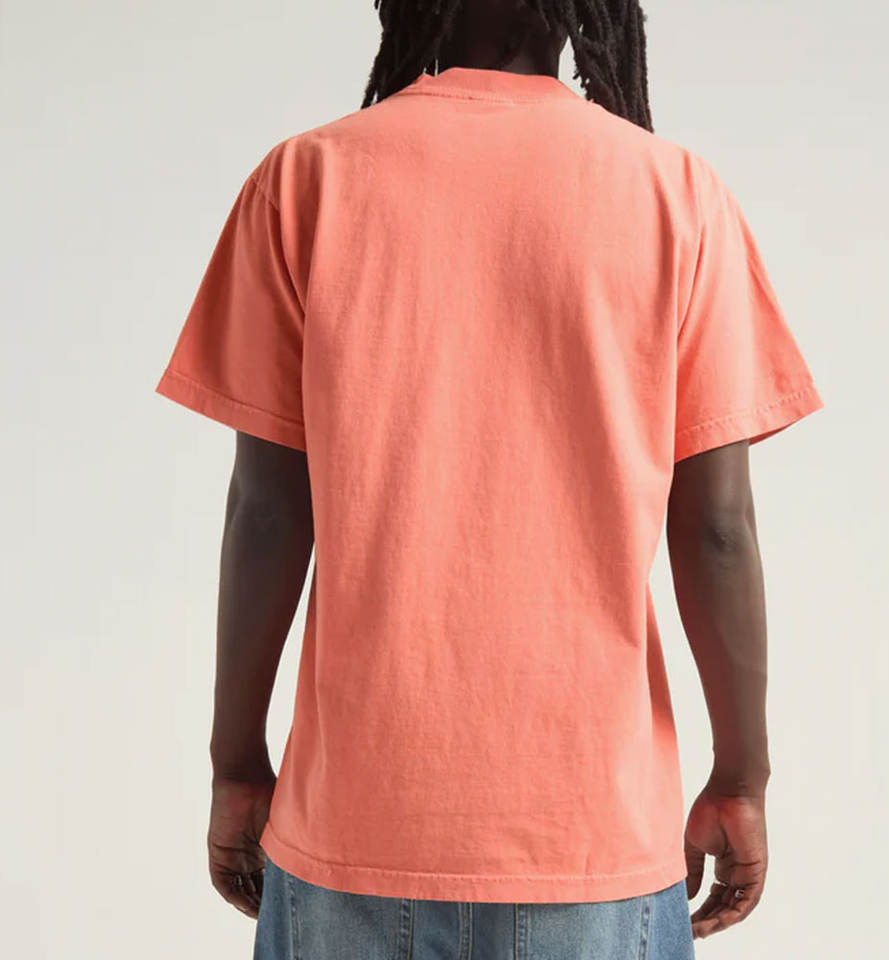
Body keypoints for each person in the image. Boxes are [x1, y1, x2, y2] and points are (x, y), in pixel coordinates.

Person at [154, 1, 824, 957]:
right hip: (593, 835)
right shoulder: (675, 192)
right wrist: (741, 779)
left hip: (354, 823)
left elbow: (266, 513)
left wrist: (235, 766)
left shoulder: (307, 179)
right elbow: (717, 530)